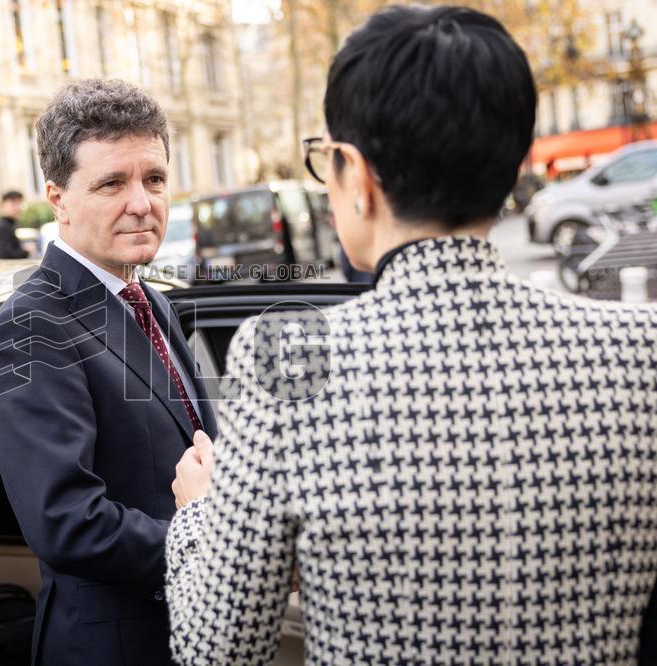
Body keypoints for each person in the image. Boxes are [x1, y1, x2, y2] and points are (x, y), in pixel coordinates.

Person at [165, 6, 657, 664]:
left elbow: (216, 650)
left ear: (357, 176)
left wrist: (201, 511)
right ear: (513, 169)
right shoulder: (640, 351)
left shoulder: (285, 357)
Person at [0, 78, 218, 666]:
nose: (141, 203)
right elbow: (66, 522)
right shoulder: (32, 322)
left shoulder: (151, 301)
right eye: (112, 183)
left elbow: (193, 447)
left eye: (155, 179)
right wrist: (219, 546)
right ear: (57, 197)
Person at [0, 190, 30, 259]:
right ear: (2, 205)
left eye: (19, 203)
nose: (18, 208)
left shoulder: (8, 224)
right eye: (14, 203)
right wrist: (26, 251)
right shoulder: (3, 226)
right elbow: (3, 255)